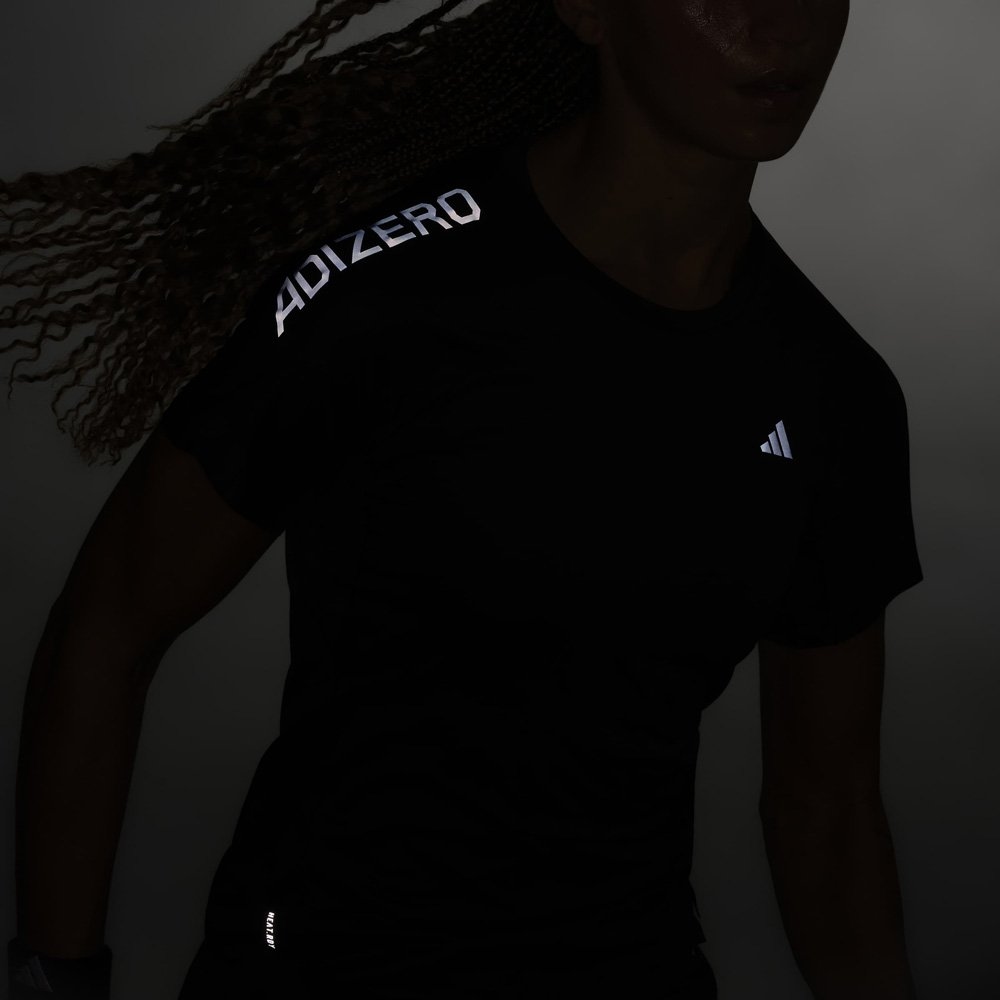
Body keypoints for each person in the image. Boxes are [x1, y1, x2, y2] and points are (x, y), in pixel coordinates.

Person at [4, 1, 924, 997]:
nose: (784, 22)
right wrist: (57, 974)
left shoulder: (834, 393)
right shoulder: (388, 295)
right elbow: (110, 622)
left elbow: (826, 809)